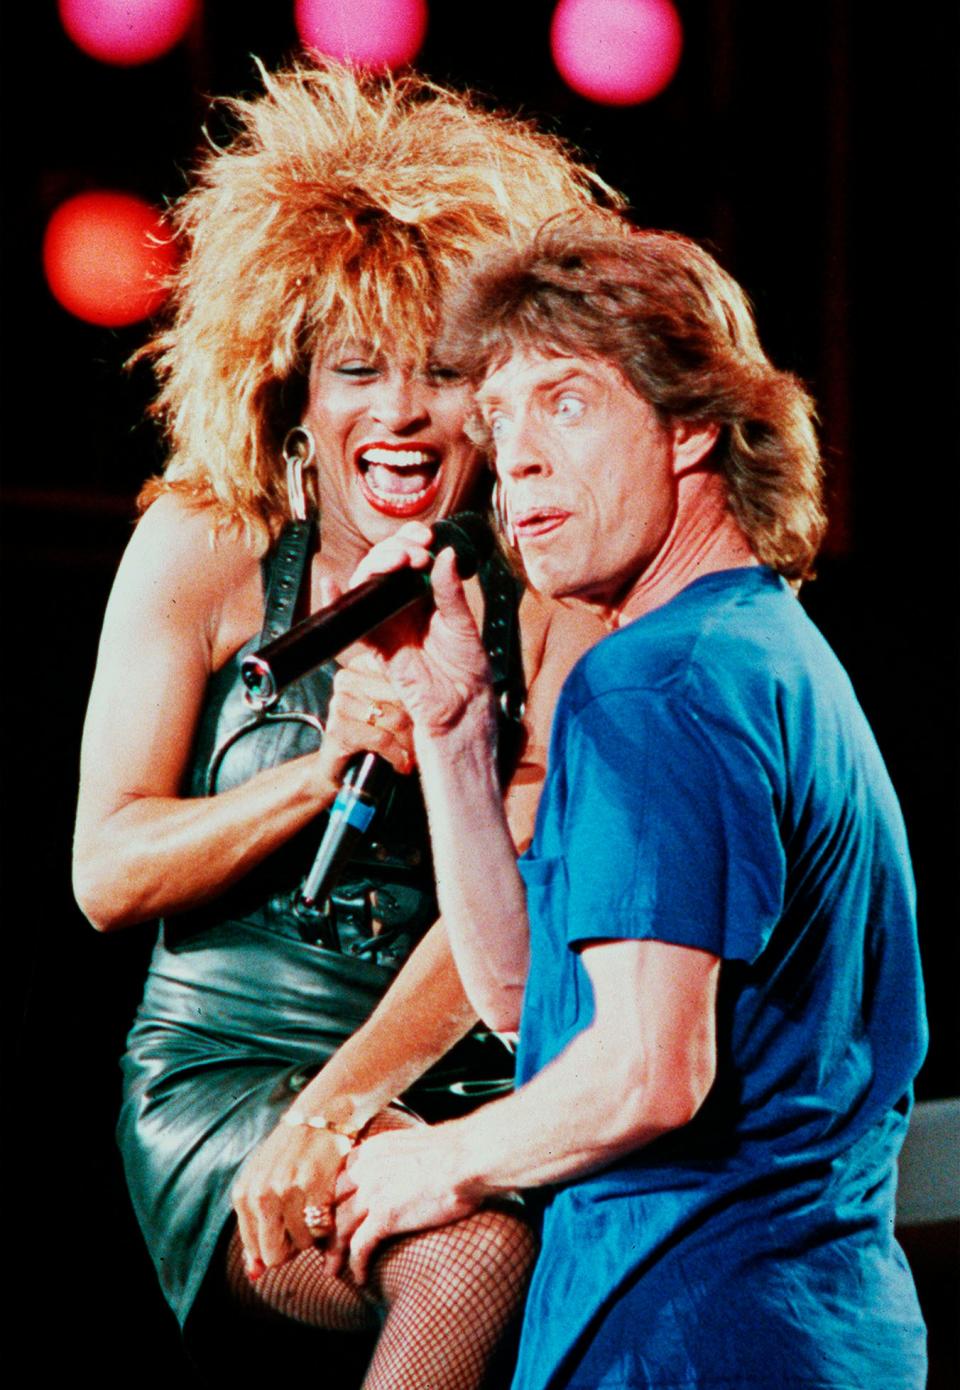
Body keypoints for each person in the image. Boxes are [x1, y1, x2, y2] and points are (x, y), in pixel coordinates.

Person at [72, 65, 611, 1388]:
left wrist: (346, 1108)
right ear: (294, 393)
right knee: (469, 1251)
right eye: (358, 370)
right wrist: (325, 769)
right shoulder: (205, 545)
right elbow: (107, 870)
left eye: (439, 372)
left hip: (452, 1077)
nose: (402, 414)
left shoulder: (545, 595)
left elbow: (530, 907)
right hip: (225, 1075)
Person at [329, 210, 929, 1389]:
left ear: (694, 422)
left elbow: (652, 1070)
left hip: (689, 1330)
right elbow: (530, 1005)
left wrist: (442, 1161)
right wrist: (455, 728)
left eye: (566, 400)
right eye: (499, 421)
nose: (520, 459)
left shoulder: (651, 681)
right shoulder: (758, 651)